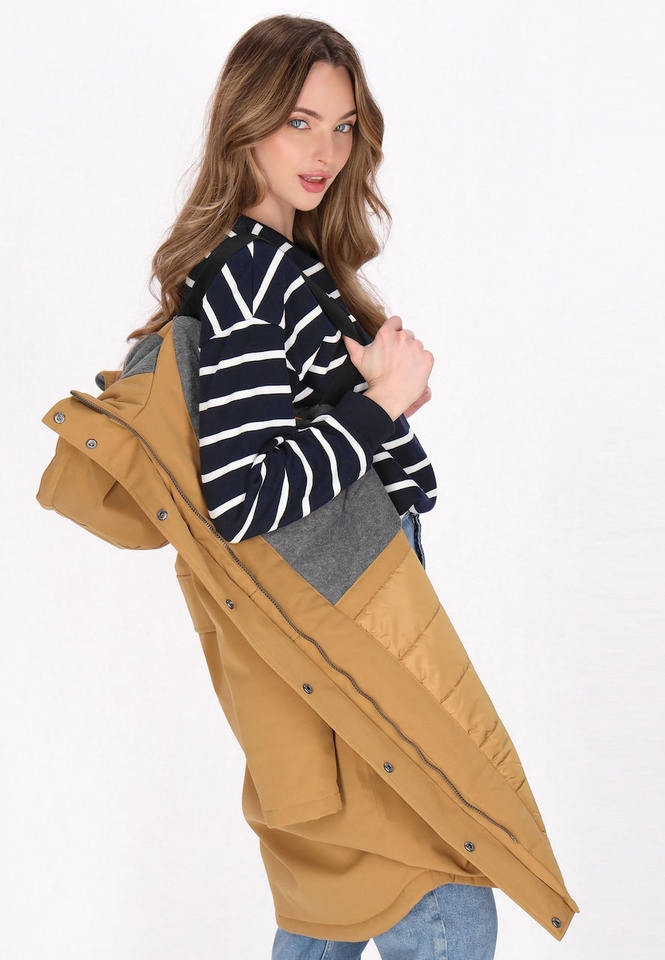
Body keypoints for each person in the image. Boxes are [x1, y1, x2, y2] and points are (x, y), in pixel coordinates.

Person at [124, 14, 497, 960]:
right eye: (299, 122)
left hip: (345, 602)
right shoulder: (251, 275)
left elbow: (299, 451)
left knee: (332, 901)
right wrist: (380, 404)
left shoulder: (287, 264)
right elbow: (244, 497)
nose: (325, 151)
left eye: (342, 126)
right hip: (341, 619)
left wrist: (374, 399)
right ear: (245, 123)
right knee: (443, 896)